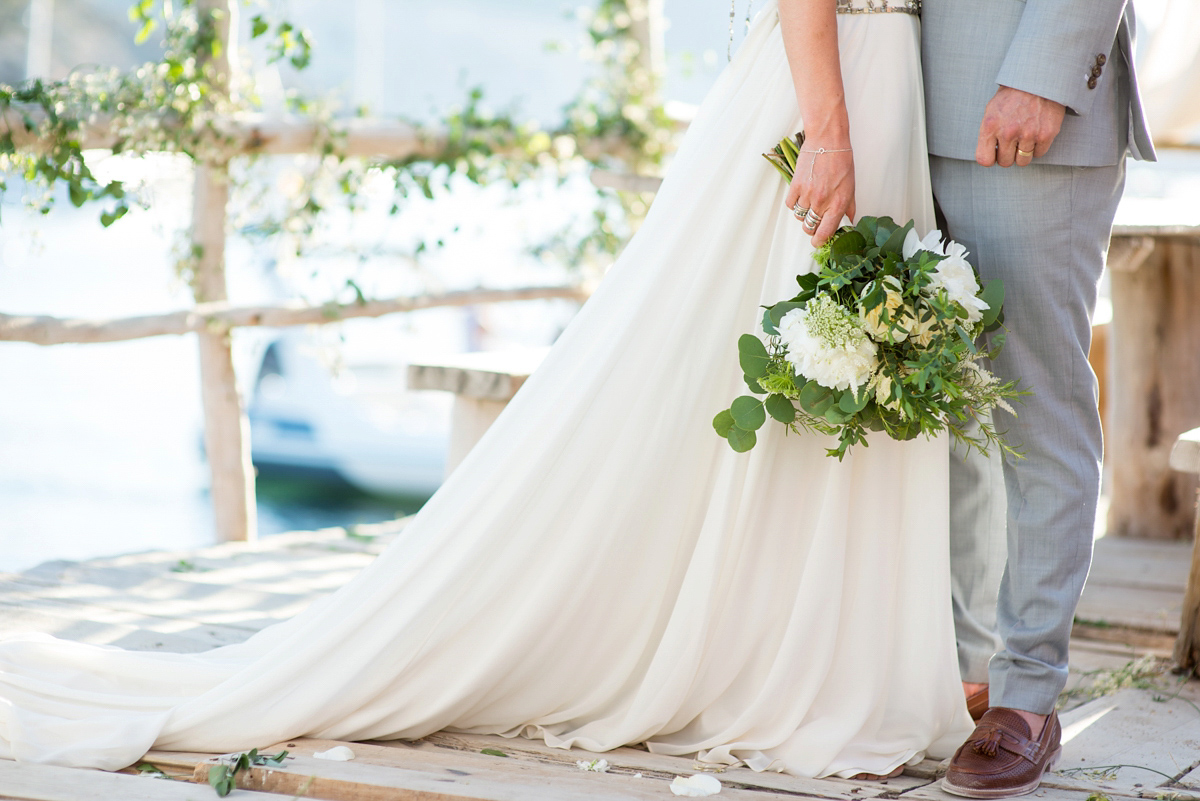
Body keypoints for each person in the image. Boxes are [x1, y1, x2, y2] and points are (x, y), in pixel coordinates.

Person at [0, 0, 975, 779]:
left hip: (882, 82)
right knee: (789, 360)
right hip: (832, 82)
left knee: (839, 374)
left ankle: (810, 655)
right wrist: (831, 133)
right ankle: (777, 663)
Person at [921, 0, 1155, 796]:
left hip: (1019, 104)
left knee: (1034, 405)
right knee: (940, 409)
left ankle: (1024, 697)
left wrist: (1044, 72)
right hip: (890, 100)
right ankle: (964, 666)